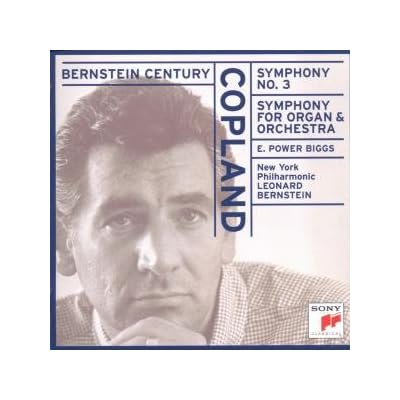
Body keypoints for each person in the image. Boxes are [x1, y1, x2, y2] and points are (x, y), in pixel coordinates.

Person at [55, 79, 349, 346]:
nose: (161, 261)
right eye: (122, 220)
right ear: (63, 244)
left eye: (189, 216)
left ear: (228, 231)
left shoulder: (335, 324)